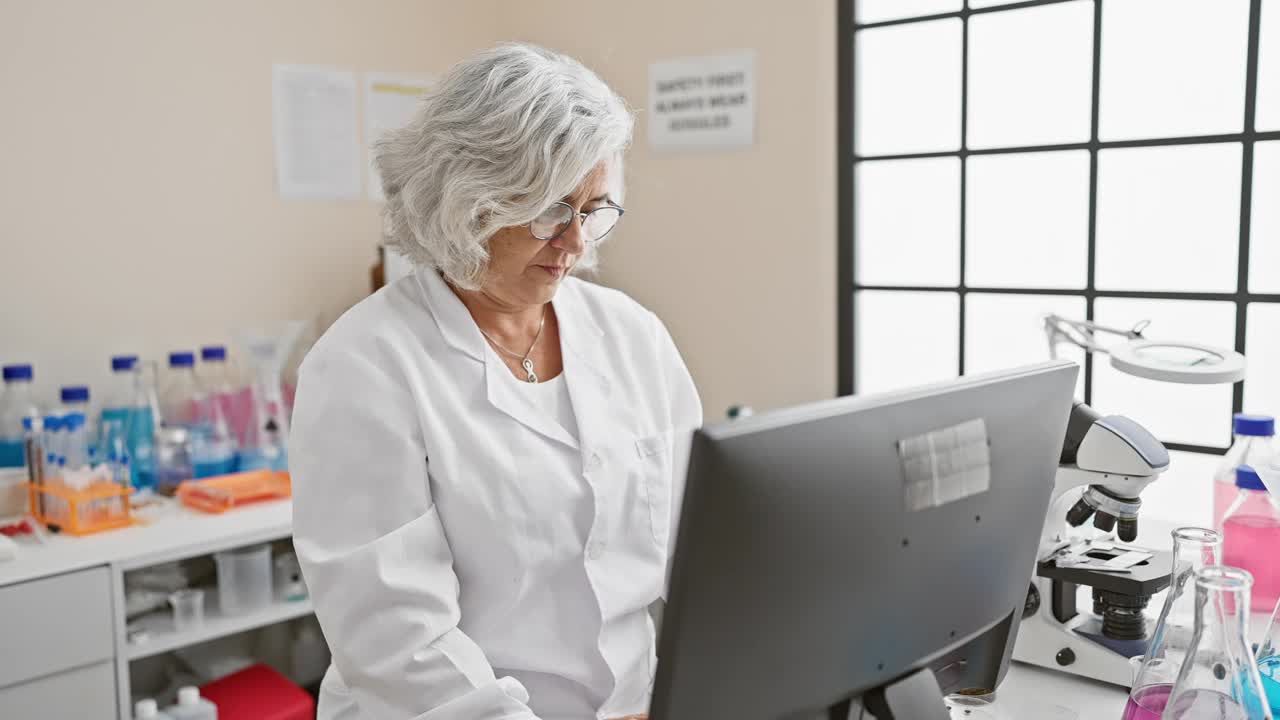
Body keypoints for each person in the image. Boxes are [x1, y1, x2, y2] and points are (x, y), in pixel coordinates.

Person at [289, 43, 702, 720]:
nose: (575, 242)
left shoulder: (633, 338)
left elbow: (699, 543)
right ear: (467, 204)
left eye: (594, 209)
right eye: (550, 212)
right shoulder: (364, 365)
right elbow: (397, 644)